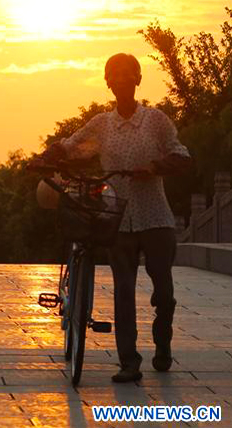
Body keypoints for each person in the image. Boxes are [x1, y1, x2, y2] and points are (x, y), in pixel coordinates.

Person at [43, 53, 191, 383]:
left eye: (128, 74)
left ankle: (163, 343)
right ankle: (129, 361)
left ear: (138, 79)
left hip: (156, 217)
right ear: (107, 82)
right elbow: (72, 145)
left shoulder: (155, 120)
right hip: (118, 219)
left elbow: (181, 155)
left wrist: (154, 167)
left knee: (163, 292)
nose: (121, 80)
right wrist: (46, 156)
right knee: (123, 291)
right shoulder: (102, 125)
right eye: (115, 74)